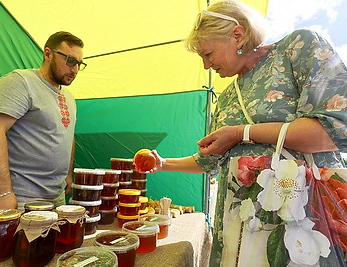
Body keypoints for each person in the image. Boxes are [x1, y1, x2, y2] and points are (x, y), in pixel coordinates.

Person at [146, 1, 347, 266]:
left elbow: (333, 130)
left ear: (237, 35)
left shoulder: (297, 47)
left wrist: (242, 133)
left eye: (208, 53)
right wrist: (162, 164)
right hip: (241, 220)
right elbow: (208, 162)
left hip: (301, 213)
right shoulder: (229, 95)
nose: (206, 65)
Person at [0, 31, 86, 212]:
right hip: (23, 199)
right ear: (48, 54)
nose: (75, 69)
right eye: (70, 61)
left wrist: (68, 174)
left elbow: (67, 135)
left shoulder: (68, 96)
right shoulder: (21, 82)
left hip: (57, 198)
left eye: (79, 64)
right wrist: (1, 192)